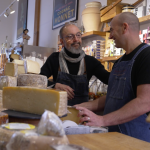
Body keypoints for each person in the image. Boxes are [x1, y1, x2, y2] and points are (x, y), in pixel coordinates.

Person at [75, 12, 150, 142]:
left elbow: (145, 102)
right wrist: (82, 107)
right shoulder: (119, 62)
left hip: (135, 141)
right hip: (115, 137)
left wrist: (102, 119)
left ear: (125, 27)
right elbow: (112, 96)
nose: (110, 36)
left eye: (112, 30)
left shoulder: (147, 56)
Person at [40, 23, 110, 106]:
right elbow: (40, 79)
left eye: (78, 35)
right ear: (62, 41)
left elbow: (108, 79)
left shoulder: (90, 61)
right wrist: (55, 85)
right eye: (70, 36)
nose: (76, 39)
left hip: (81, 113)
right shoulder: (54, 59)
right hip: (58, 111)